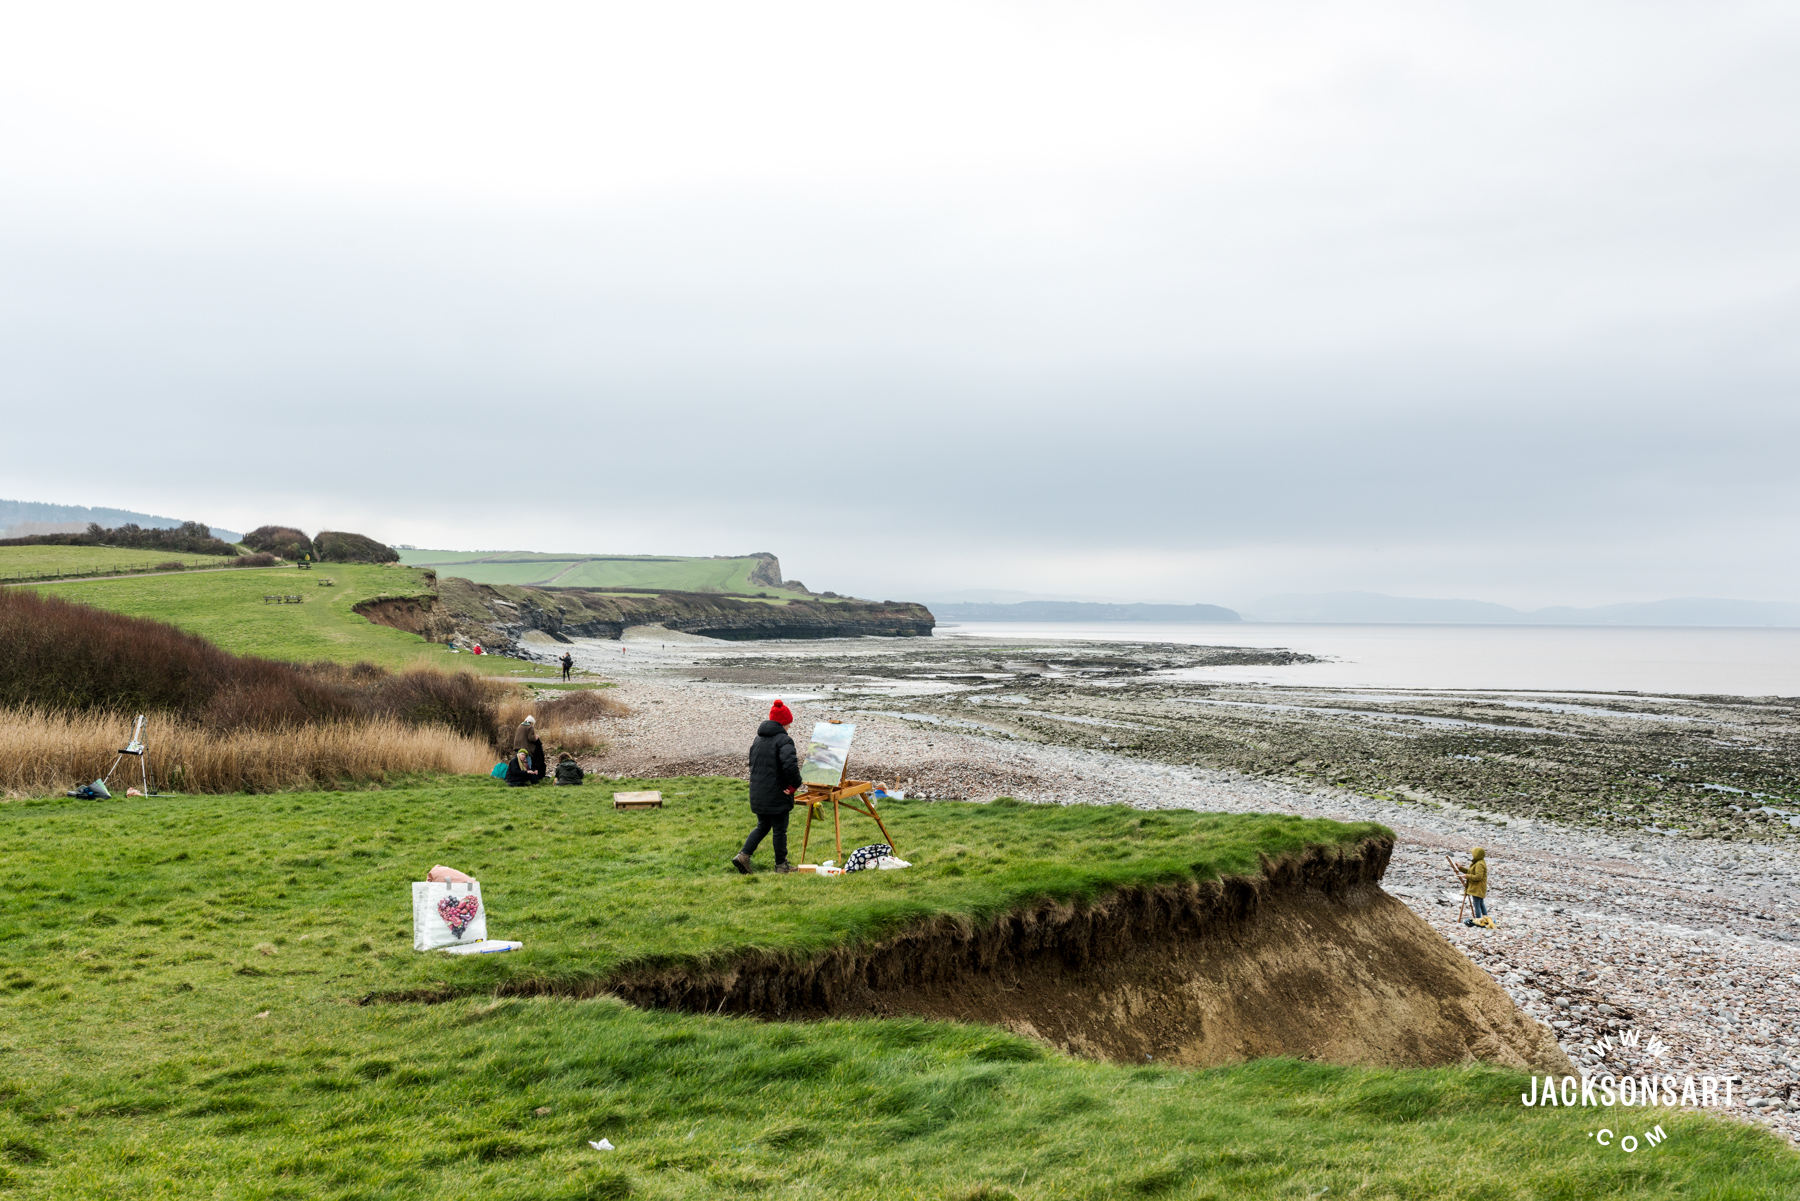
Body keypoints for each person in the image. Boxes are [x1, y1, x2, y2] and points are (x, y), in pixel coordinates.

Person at [733, 699, 802, 874]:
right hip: (776, 793)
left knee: (763, 825)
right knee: (779, 829)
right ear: (783, 723)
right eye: (788, 724)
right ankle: (781, 866)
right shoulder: (784, 741)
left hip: (758, 792)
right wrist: (795, 784)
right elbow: (790, 766)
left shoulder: (758, 739)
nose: (789, 727)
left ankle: (743, 855)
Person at [1457, 847, 1489, 924]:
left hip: (1478, 887)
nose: (1472, 855)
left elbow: (1478, 877)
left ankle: (1478, 920)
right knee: (1481, 904)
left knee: (1477, 904)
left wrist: (1467, 876)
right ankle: (1486, 919)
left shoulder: (1479, 864)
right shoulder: (1478, 862)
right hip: (1479, 887)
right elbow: (1470, 871)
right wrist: (1460, 868)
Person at [516, 714, 546, 779]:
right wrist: (536, 738)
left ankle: (521, 777)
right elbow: (530, 738)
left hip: (517, 747)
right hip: (525, 748)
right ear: (531, 722)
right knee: (529, 763)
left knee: (519, 762)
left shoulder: (519, 726)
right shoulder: (530, 727)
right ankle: (531, 777)